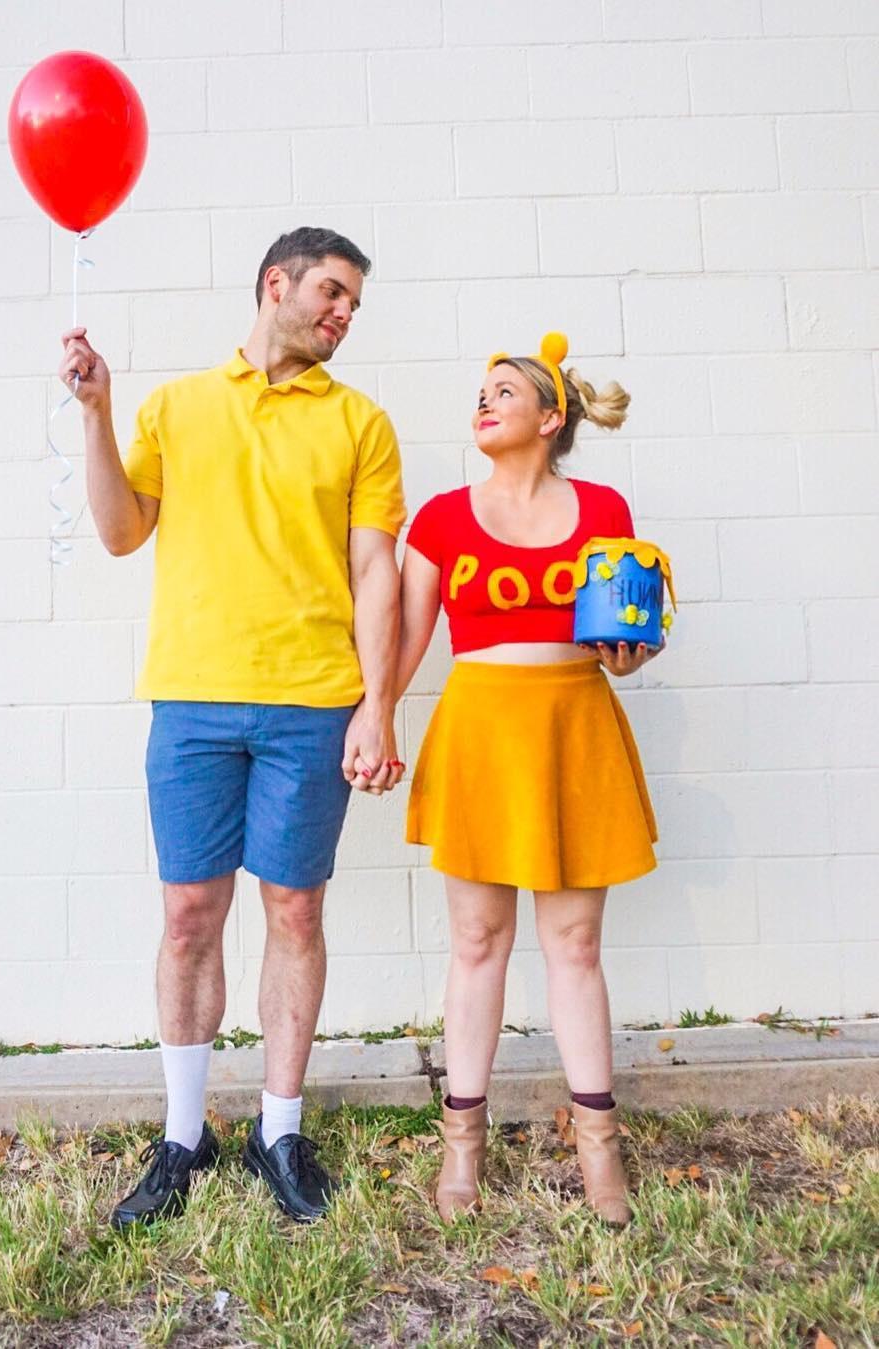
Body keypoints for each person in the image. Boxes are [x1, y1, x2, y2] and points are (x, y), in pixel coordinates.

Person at [57, 227, 406, 1227]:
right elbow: (123, 533)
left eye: (353, 304)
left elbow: (377, 569)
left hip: (311, 702)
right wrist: (96, 412)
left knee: (295, 913)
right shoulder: (177, 405)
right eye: (332, 293)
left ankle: (278, 1129)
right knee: (188, 917)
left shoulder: (362, 423)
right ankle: (181, 1135)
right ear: (276, 284)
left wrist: (377, 702)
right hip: (194, 701)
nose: (342, 314)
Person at [396, 334, 660, 1228]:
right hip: (480, 727)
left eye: (503, 391)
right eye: (479, 391)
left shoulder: (605, 505)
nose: (484, 400)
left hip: (573, 722)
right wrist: (370, 716)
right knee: (476, 942)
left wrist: (629, 654)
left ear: (551, 418)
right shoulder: (436, 517)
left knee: (576, 944)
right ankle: (461, 1148)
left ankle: (599, 1150)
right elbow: (406, 644)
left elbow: (621, 634)